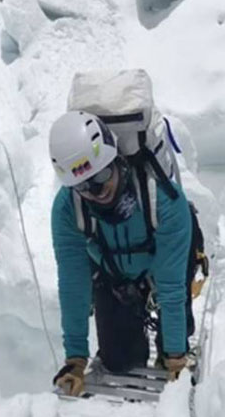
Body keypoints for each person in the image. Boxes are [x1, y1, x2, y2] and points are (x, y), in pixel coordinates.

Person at [49, 111, 195, 397]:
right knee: (119, 362)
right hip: (114, 274)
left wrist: (176, 356)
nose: (97, 191)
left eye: (102, 175)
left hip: (163, 264)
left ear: (116, 160)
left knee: (172, 345)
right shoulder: (68, 210)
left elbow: (171, 286)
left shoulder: (163, 199)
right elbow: (73, 285)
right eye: (83, 186)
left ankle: (170, 345)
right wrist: (75, 359)